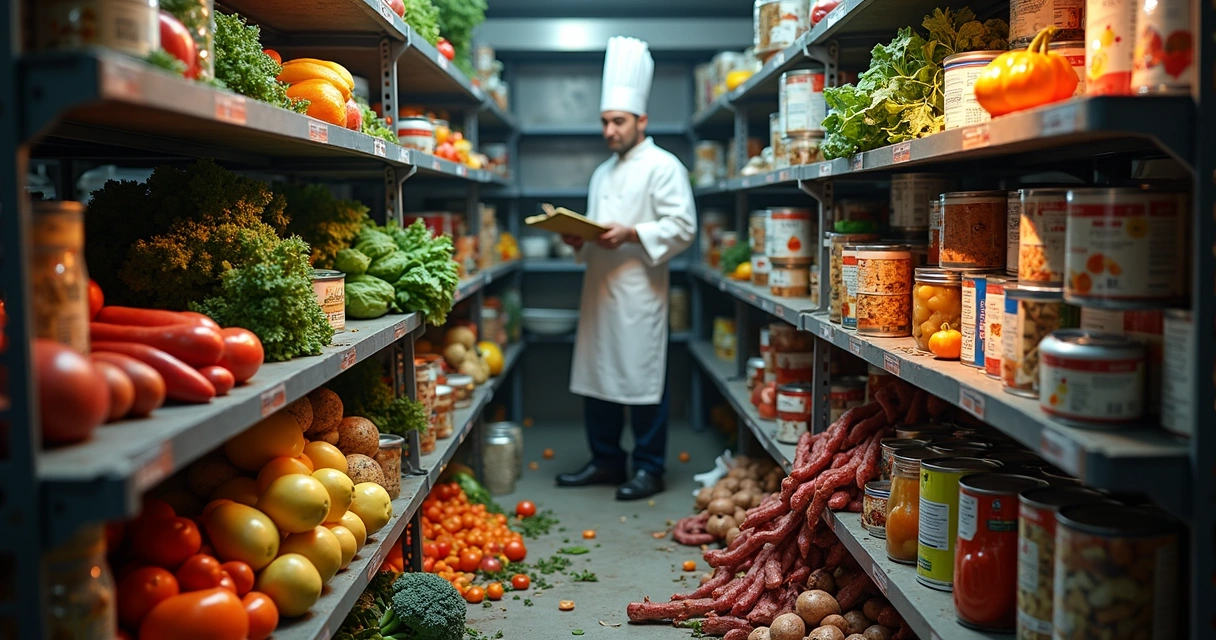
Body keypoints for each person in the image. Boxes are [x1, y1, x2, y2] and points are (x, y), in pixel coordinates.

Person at [554, 36, 697, 500]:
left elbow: (683, 226)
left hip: (639, 291)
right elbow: (599, 232)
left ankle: (650, 468)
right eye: (604, 122)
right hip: (598, 290)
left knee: (641, 379)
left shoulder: (664, 166)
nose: (610, 130)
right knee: (598, 379)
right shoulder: (602, 173)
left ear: (642, 121)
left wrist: (632, 232)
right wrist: (580, 238)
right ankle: (607, 461)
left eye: (618, 121)